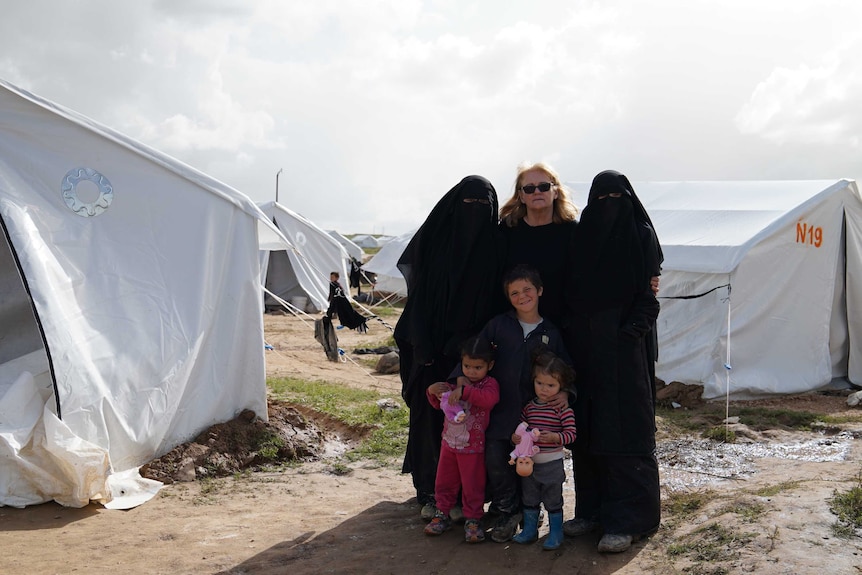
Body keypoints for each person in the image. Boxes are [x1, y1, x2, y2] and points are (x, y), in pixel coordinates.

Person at [562, 169, 664, 553]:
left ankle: (629, 520)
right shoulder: (582, 235)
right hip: (583, 349)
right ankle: (591, 511)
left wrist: (628, 334)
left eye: (616, 199)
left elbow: (648, 295)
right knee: (587, 430)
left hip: (625, 354)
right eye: (601, 199)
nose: (609, 207)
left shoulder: (640, 234)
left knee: (624, 428)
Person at [394, 175, 507, 519]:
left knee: (473, 425)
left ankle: (467, 497)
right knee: (431, 420)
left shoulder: (497, 247)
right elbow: (419, 301)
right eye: (467, 205)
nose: (475, 213)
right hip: (430, 348)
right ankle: (431, 493)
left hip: (475, 356)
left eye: (483, 207)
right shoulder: (436, 243)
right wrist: (424, 349)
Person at [451, 264, 570, 543]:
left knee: (532, 466)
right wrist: (460, 379)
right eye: (514, 292)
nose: (522, 296)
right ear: (508, 297)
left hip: (535, 415)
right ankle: (507, 510)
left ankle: (531, 512)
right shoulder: (498, 325)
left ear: (540, 291)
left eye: (527, 289)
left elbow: (565, 367)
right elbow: (474, 354)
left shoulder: (551, 332)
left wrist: (566, 391)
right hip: (499, 410)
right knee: (495, 458)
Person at [423, 336, 500, 543]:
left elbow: (490, 400)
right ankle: (442, 514)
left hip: (473, 448)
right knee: (444, 481)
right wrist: (432, 391)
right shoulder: (454, 383)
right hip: (449, 445)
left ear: (490, 365)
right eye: (466, 366)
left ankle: (473, 519)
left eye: (478, 367)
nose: (471, 371)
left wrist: (465, 391)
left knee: (472, 484)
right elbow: (441, 405)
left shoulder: (489, 385)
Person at [498, 162, 579, 326]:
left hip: (563, 325)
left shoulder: (573, 231)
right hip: (514, 327)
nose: (536, 192)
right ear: (521, 196)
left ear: (555, 191)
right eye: (529, 188)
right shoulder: (507, 230)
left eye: (543, 186)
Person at [511, 350, 577, 550]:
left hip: (552, 464)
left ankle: (556, 533)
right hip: (529, 465)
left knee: (553, 499)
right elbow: (522, 428)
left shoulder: (562, 409)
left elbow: (572, 434)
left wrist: (557, 437)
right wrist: (516, 437)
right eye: (539, 383)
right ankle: (530, 530)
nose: (544, 389)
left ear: (561, 386)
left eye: (551, 385)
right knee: (529, 498)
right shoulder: (529, 408)